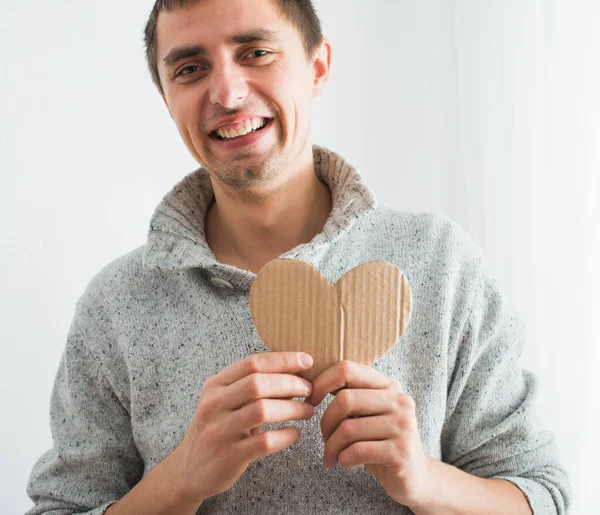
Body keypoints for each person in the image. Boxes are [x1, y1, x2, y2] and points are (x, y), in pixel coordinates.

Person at [26, 0, 571, 514]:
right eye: (190, 69)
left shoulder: (439, 262)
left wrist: (425, 481)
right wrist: (182, 478)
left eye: (255, 52)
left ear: (317, 66)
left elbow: (542, 494)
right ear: (166, 98)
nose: (228, 92)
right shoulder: (116, 305)